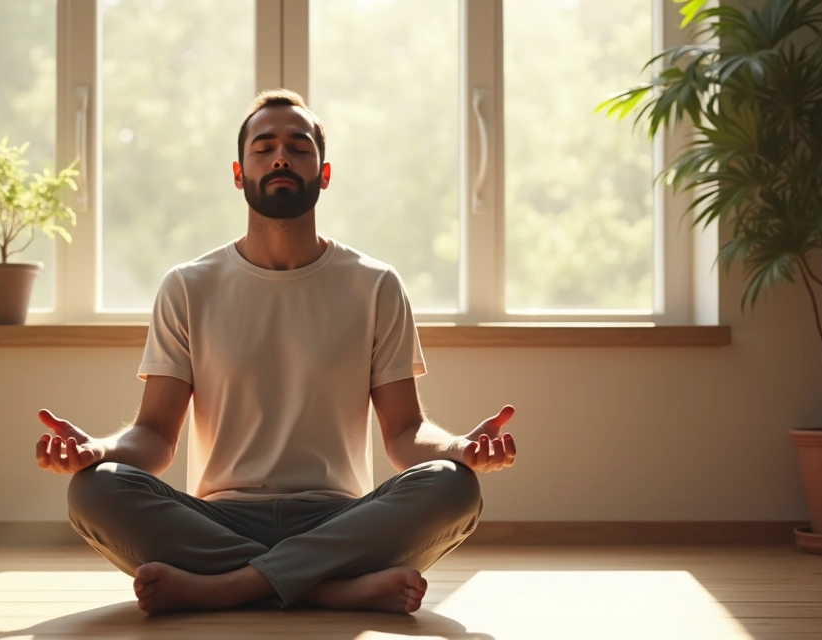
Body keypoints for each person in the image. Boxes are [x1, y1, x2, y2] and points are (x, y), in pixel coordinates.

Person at [34, 89, 517, 616]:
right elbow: (154, 436)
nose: (281, 156)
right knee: (94, 491)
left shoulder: (374, 285)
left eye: (298, 146)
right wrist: (97, 452)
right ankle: (328, 589)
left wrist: (460, 450)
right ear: (239, 174)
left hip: (340, 520)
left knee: (453, 488)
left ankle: (225, 587)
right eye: (264, 147)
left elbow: (405, 434)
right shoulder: (188, 286)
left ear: (324, 173)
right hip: (219, 518)